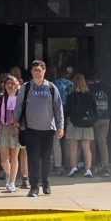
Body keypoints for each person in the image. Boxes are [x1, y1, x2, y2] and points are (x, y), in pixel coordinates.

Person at [17, 60, 65, 197]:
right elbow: (19, 106)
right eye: (35, 70)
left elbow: (58, 108)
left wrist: (60, 126)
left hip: (48, 129)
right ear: (31, 72)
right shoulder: (25, 88)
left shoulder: (51, 87)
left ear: (44, 71)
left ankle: (45, 181)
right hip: (31, 128)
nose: (37, 73)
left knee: (46, 159)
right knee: (33, 158)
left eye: (40, 70)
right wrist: (16, 122)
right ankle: (34, 186)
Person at [0, 73, 24, 193]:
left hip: (16, 129)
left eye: (13, 83)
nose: (11, 86)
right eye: (8, 83)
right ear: (4, 86)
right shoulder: (1, 99)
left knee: (14, 157)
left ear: (17, 85)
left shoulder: (21, 98)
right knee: (4, 159)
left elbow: (25, 114)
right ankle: (9, 175)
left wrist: (21, 125)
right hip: (4, 128)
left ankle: (11, 182)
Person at [64, 74, 98, 178]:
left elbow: (67, 111)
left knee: (73, 147)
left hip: (74, 123)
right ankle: (88, 169)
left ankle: (73, 167)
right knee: (86, 147)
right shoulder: (90, 96)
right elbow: (95, 111)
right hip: (87, 124)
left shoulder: (71, 96)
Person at [88, 70, 111, 177]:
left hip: (93, 117)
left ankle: (93, 164)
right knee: (103, 142)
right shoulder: (107, 88)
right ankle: (105, 166)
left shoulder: (90, 89)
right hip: (106, 117)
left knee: (92, 142)